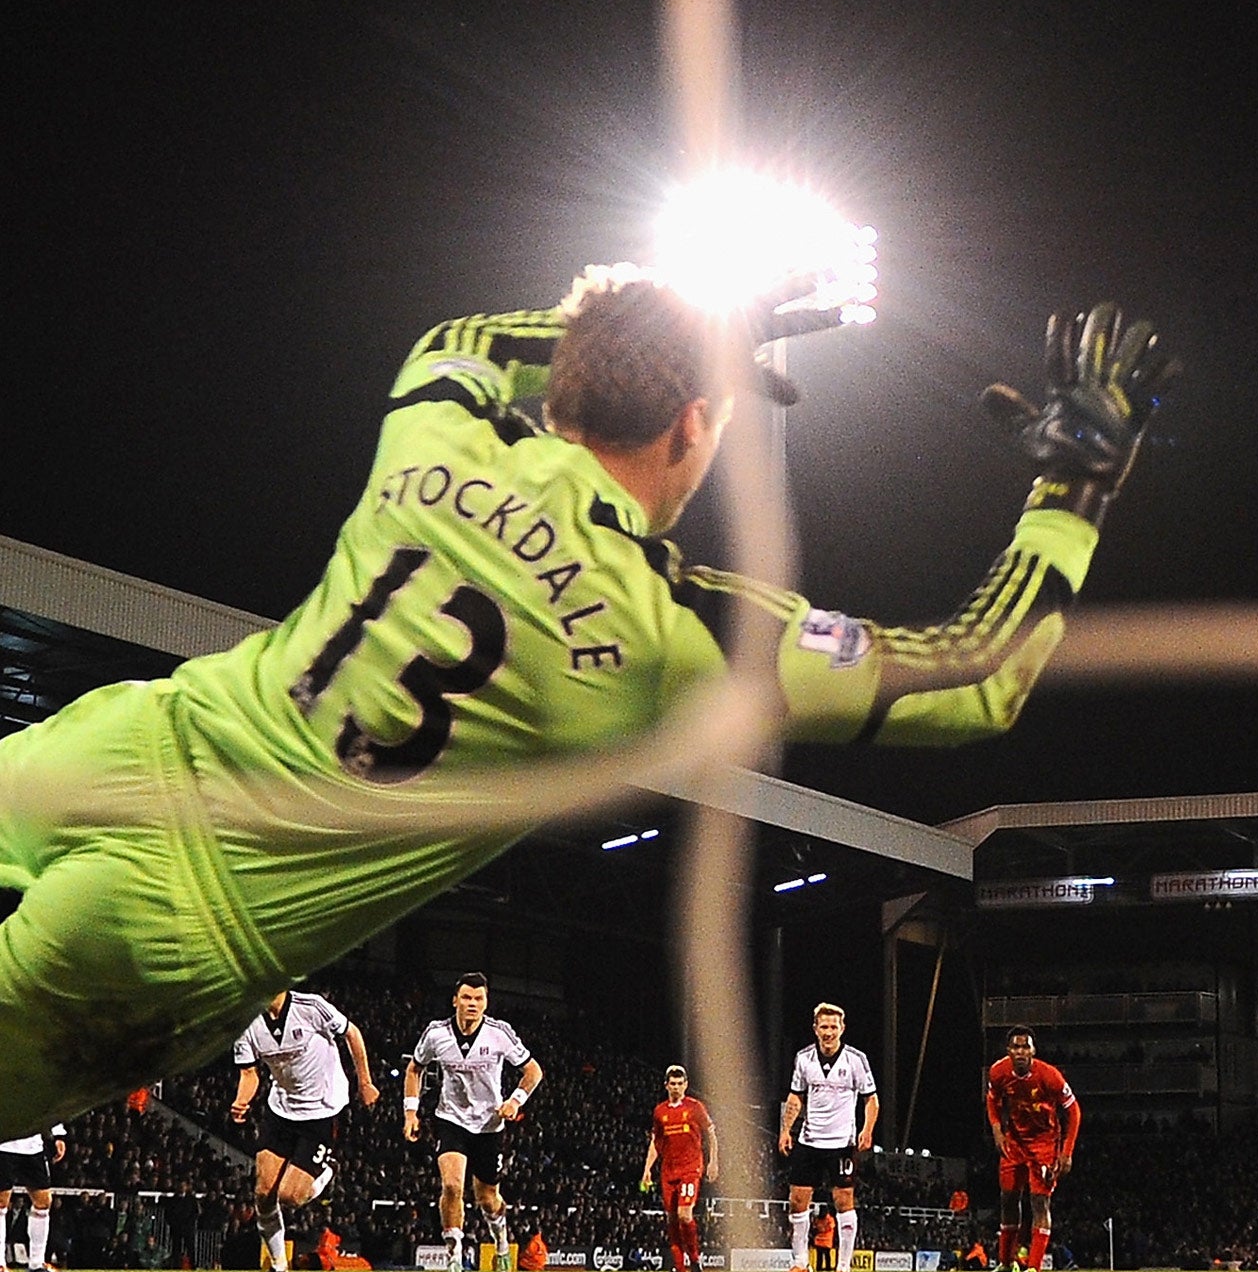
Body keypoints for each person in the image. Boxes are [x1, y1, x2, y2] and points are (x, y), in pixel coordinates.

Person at [0, 266, 1178, 1139]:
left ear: (564, 378)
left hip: (113, 751)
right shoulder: (673, 633)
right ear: (696, 425)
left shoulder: (435, 420)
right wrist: (1072, 485)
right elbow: (976, 678)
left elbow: (471, 334)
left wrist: (707, 319)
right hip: (183, 923)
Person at [228, 982, 381, 1272]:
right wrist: (241, 1100)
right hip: (281, 1110)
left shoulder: (310, 1008)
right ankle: (278, 1268)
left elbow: (352, 1033)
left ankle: (326, 1172)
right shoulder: (246, 1024)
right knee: (262, 1192)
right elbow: (249, 1073)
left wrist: (365, 1082)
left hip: (322, 1111)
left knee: (291, 1197)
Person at [403, 973, 542, 1272]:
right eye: (466, 998)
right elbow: (415, 1068)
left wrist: (515, 1101)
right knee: (452, 1186)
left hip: (489, 1124)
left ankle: (502, 1246)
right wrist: (410, 1112)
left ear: (486, 1002)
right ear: (455, 1000)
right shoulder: (436, 1033)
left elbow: (533, 1071)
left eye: (479, 999)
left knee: (487, 1198)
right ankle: (454, 1256)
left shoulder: (499, 1033)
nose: (472, 1004)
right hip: (450, 1119)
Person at [777, 1002, 877, 1272]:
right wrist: (786, 1129)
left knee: (843, 1200)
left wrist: (867, 1129)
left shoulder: (856, 1060)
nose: (829, 1032)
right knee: (797, 1201)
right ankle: (800, 1265)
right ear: (815, 1029)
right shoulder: (804, 1058)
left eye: (834, 1026)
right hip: (809, 1140)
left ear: (842, 1028)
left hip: (841, 1142)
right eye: (824, 1026)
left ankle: (843, 1268)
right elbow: (795, 1097)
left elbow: (871, 1098)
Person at [980, 1025, 1080, 1272]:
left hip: (1044, 1145)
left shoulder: (1049, 1076)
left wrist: (1066, 1152)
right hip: (1014, 1144)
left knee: (1039, 1203)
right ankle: (1005, 1265)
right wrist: (997, 1131)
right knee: (1008, 1200)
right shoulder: (998, 1072)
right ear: (1009, 1050)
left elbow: (1074, 1111)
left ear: (1033, 1050)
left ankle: (1033, 1268)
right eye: (1016, 1046)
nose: (1021, 1051)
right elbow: (992, 1100)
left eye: (1026, 1046)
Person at [639, 1062, 719, 1272]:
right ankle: (678, 1267)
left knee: (685, 1214)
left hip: (690, 1168)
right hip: (668, 1171)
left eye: (679, 1083)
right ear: (666, 1086)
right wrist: (647, 1170)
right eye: (672, 1083)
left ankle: (695, 1260)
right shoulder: (660, 1111)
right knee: (672, 1218)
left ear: (686, 1085)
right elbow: (656, 1142)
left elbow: (711, 1133)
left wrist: (713, 1162)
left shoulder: (695, 1108)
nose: (676, 1087)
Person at [0, 1122, 68, 1272]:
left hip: (33, 1148)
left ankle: (37, 1264)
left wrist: (58, 1135)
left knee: (44, 1202)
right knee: (2, 1202)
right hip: (4, 1146)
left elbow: (47, 1102)